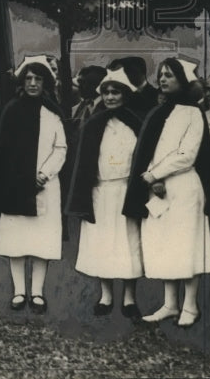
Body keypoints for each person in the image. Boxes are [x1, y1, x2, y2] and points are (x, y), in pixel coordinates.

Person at [123, 57, 210, 328]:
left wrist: (155, 173)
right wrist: (152, 178)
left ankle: (190, 305)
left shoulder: (192, 113)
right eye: (161, 75)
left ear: (183, 81)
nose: (162, 79)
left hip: (184, 187)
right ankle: (170, 304)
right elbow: (147, 149)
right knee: (164, 245)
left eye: (170, 75)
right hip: (158, 189)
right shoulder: (158, 111)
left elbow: (187, 154)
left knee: (185, 245)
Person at [0, 54, 68, 314]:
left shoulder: (53, 113)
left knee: (42, 240)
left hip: (46, 185)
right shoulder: (11, 110)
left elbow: (61, 147)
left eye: (38, 79)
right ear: (23, 81)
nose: (33, 83)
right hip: (16, 185)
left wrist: (45, 173)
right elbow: (3, 151)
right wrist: (16, 175)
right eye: (29, 78)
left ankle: (38, 292)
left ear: (46, 83)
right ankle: (19, 291)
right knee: (17, 240)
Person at [65, 68, 144, 318]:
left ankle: (129, 297)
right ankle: (106, 295)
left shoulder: (137, 123)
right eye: (106, 92)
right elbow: (83, 162)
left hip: (126, 191)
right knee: (103, 242)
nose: (110, 97)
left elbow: (144, 158)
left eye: (116, 92)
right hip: (100, 191)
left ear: (125, 95)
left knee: (128, 241)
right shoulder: (93, 125)